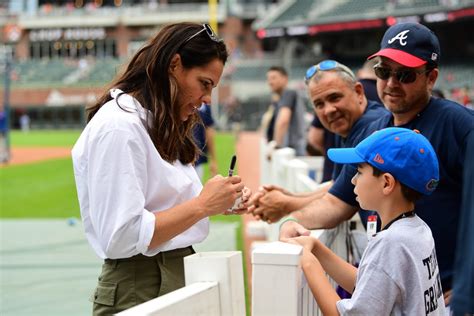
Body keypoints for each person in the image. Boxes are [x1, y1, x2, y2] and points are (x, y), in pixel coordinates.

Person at [279, 23, 474, 305]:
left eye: (405, 74)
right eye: (383, 71)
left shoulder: (460, 126)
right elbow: (337, 201)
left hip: (446, 296)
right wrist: (293, 222)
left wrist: (468, 290)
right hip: (401, 292)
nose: (392, 83)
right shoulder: (376, 131)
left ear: (431, 78)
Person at [71, 22, 251, 315]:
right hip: (139, 284)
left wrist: (217, 202)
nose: (207, 99)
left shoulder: (158, 120)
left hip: (172, 273)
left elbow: (164, 205)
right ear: (175, 64)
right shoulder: (119, 125)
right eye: (204, 83)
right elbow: (122, 236)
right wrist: (202, 205)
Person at [287, 127, 445, 315]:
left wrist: (308, 263)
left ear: (387, 183)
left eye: (360, 172)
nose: (353, 180)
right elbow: (370, 285)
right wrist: (316, 248)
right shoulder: (418, 230)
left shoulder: (391, 242)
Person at [249, 60, 387, 224]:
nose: (329, 110)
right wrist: (290, 196)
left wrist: (285, 207)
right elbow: (337, 186)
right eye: (319, 104)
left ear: (358, 92)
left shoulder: (371, 127)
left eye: (334, 97)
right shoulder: (344, 125)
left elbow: (338, 204)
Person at [265, 66, 307, 156]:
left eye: (274, 78)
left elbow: (283, 120)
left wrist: (275, 146)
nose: (270, 82)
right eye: (268, 78)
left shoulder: (288, 93)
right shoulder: (280, 98)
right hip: (293, 150)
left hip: (292, 151)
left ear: (285, 79)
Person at [193, 103, 218, 180]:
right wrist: (213, 160)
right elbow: (209, 133)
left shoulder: (205, 108)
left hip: (195, 159)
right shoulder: (204, 108)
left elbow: (209, 133)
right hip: (183, 160)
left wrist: (213, 160)